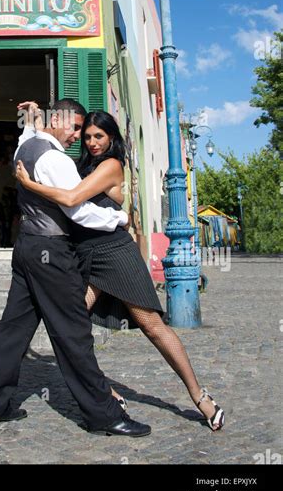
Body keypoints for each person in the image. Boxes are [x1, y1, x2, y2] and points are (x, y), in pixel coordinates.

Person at [16, 108, 225, 432]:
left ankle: (200, 396)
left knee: (153, 327)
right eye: (87, 137)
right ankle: (106, 395)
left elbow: (71, 197)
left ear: (111, 137)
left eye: (99, 136)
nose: (92, 142)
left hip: (114, 252)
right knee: (72, 325)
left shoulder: (111, 165)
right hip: (86, 253)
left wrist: (30, 184)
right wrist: (33, 121)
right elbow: (48, 145)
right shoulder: (80, 164)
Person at [0, 99, 151, 436]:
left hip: (26, 246)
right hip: (51, 252)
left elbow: (25, 136)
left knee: (12, 328)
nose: (77, 136)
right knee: (72, 332)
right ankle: (104, 416)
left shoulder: (27, 145)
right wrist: (119, 217)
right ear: (56, 120)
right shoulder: (55, 158)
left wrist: (32, 120)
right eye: (73, 127)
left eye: (80, 129)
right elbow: (78, 209)